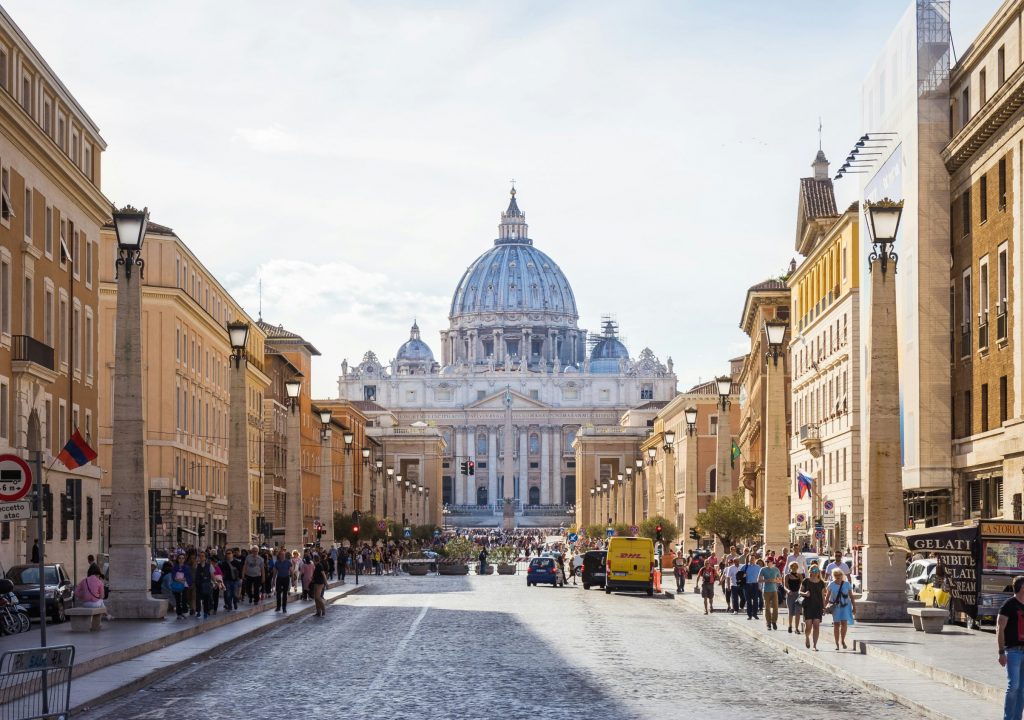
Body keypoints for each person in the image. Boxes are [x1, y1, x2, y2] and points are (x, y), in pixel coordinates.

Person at [997, 575, 1024, 720]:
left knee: (1022, 689)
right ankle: (1008, 718)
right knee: (1013, 685)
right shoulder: (1009, 604)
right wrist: (1001, 652)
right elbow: (999, 628)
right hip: (1013, 651)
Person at [826, 568, 856, 650]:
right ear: (833, 576)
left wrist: (854, 607)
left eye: (839, 575)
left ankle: (842, 640)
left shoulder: (846, 584)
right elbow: (827, 597)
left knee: (844, 623)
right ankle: (836, 643)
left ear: (842, 575)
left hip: (846, 606)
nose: (838, 576)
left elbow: (851, 596)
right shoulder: (831, 584)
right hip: (836, 606)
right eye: (836, 575)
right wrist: (824, 607)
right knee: (836, 624)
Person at [800, 566, 827, 650]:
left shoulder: (821, 583)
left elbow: (823, 596)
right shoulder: (806, 581)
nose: (814, 572)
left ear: (819, 572)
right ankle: (807, 637)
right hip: (808, 606)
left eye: (816, 570)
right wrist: (805, 593)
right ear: (810, 571)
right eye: (813, 570)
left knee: (816, 626)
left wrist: (824, 607)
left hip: (818, 607)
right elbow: (799, 592)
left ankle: (815, 645)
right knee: (808, 626)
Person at [760, 556, 782, 630]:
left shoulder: (776, 569)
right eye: (766, 561)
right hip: (766, 590)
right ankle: (768, 623)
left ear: (772, 562)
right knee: (767, 608)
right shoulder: (763, 569)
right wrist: (767, 580)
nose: (767, 563)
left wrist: (775, 580)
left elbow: (780, 580)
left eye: (768, 561)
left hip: (774, 590)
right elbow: (759, 580)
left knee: (775, 607)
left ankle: (774, 622)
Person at [169, 553, 191, 620]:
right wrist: (179, 580)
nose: (181, 559)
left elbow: (187, 576)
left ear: (184, 559)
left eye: (182, 558)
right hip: (177, 585)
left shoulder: (187, 567)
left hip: (184, 585)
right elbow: (173, 576)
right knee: (178, 600)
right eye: (180, 558)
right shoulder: (175, 567)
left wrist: (182, 580)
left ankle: (184, 613)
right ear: (178, 559)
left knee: (184, 599)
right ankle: (179, 614)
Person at [784, 562, 803, 633]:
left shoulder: (800, 575)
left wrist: (801, 592)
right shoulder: (787, 576)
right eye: (792, 566)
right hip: (790, 595)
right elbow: (785, 586)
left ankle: (797, 628)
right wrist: (788, 591)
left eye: (795, 566)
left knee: (798, 611)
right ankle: (790, 626)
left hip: (798, 595)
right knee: (790, 611)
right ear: (790, 567)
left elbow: (802, 585)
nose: (794, 567)